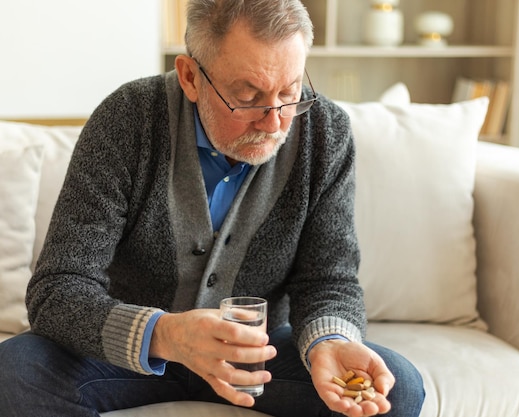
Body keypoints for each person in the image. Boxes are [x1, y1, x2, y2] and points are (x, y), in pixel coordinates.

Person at [0, 1, 425, 416]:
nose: (275, 122)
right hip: (129, 355)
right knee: (14, 372)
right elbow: (59, 287)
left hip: (258, 357)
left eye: (290, 92)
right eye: (249, 96)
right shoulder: (127, 118)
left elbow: (329, 278)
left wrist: (329, 341)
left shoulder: (325, 133)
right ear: (190, 77)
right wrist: (166, 335)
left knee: (398, 388)